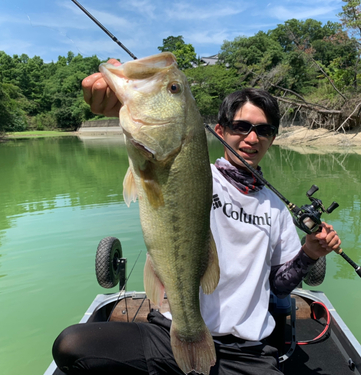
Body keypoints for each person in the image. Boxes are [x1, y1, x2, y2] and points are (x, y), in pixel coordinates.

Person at [52, 59, 341, 375]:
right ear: (220, 131)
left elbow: (278, 286)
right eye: (240, 126)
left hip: (246, 352)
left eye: (264, 130)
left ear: (273, 138)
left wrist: (310, 253)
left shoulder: (275, 208)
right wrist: (121, 103)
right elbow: (152, 141)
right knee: (71, 345)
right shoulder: (194, 172)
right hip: (169, 330)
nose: (252, 138)